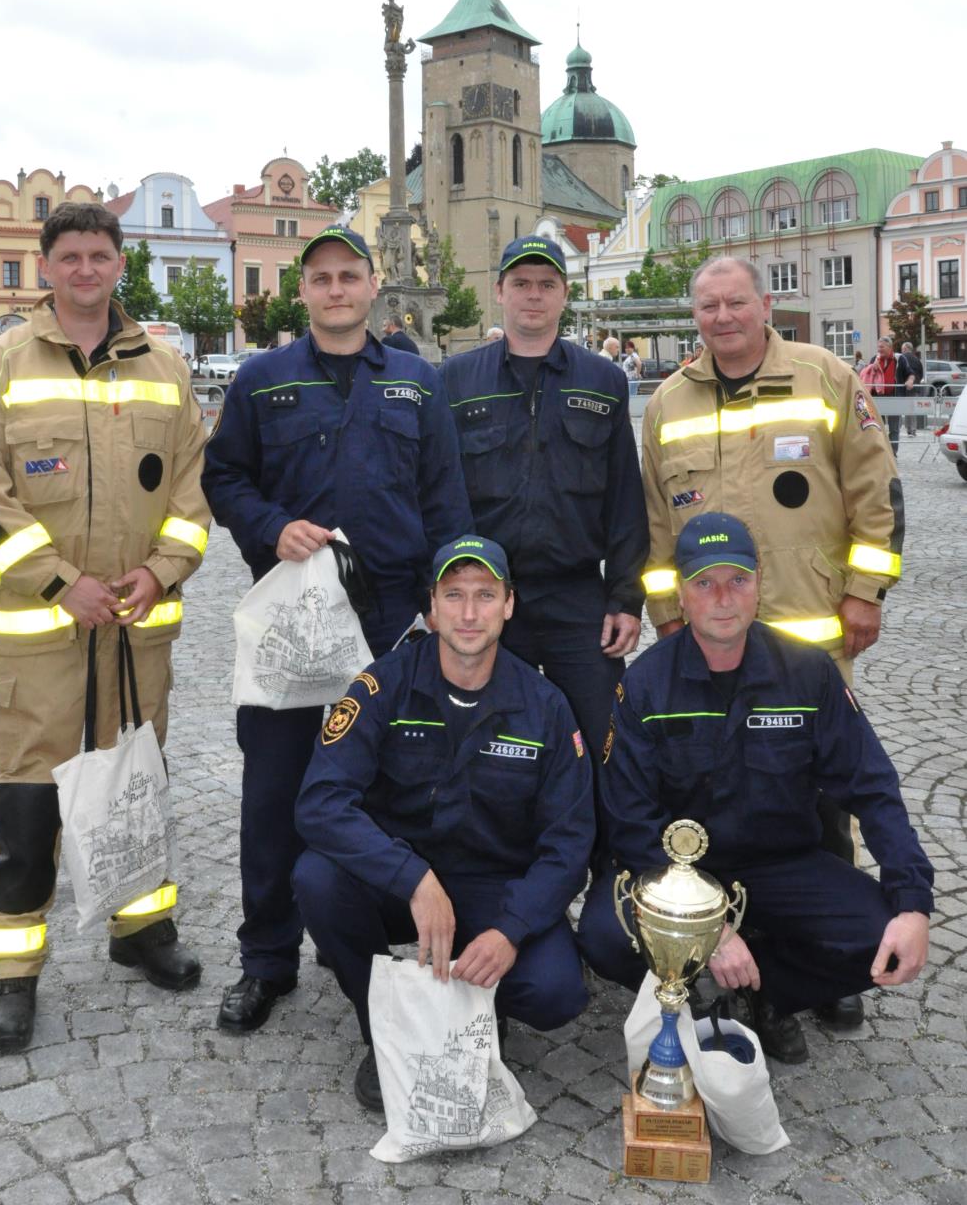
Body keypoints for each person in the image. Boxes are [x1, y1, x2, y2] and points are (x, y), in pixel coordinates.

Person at [201, 224, 471, 1036]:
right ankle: (266, 959)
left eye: (349, 275)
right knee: (274, 790)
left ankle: (357, 929)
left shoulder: (417, 383)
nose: (336, 289)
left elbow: (445, 497)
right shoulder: (263, 380)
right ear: (304, 292)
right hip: (294, 614)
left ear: (373, 284)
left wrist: (444, 594)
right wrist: (271, 526)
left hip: (390, 617)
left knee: (387, 784)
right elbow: (223, 476)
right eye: (321, 278)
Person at [0, 201, 210, 1052]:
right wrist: (63, 584)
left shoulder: (166, 367)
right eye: (70, 257)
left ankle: (141, 929)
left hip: (138, 628)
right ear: (47, 265)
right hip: (41, 635)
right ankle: (13, 968)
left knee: (135, 784)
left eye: (100, 255)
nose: (86, 270)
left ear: (119, 264)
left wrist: (159, 570)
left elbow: (191, 492)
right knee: (29, 804)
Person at [640, 256, 904, 1024]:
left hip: (809, 635)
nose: (722, 317)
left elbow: (876, 493)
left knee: (824, 796)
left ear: (764, 304)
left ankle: (830, 964)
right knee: (726, 795)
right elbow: (657, 527)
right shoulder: (667, 402)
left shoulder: (825, 378)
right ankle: (754, 968)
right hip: (710, 643)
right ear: (695, 315)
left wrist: (865, 592)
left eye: (735, 303)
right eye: (708, 306)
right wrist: (666, 617)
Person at [578, 511, 932, 1064]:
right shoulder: (647, 684)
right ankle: (687, 993)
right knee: (604, 935)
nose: (723, 598)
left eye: (737, 580)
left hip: (778, 864)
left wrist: (913, 902)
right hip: (678, 876)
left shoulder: (808, 672)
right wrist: (712, 932)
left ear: (759, 582)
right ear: (681, 595)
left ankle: (770, 990)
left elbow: (872, 786)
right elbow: (630, 819)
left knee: (882, 934)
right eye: (704, 583)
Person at [294, 535, 594, 1110]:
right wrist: (412, 878)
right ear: (431, 607)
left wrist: (510, 930)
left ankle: (474, 1010)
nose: (470, 613)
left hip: (494, 885)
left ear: (509, 604)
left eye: (486, 595)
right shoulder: (382, 686)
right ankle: (386, 1025)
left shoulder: (546, 706)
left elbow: (570, 841)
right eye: (454, 595)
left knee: (555, 993)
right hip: (400, 878)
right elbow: (321, 801)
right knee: (318, 879)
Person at [442, 235, 648, 848]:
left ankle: (610, 875)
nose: (533, 295)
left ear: (564, 295)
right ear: (500, 292)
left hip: (576, 599)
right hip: (485, 598)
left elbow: (625, 498)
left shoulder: (603, 380)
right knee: (483, 738)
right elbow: (439, 495)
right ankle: (495, 871)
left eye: (547, 284)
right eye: (521, 284)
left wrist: (626, 597)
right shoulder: (455, 380)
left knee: (605, 739)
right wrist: (443, 596)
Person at [865, 336, 900, 456]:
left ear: (889, 347)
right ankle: (881, 451)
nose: (879, 349)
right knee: (878, 426)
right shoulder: (874, 359)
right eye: (878, 347)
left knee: (894, 427)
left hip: (893, 398)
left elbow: (909, 372)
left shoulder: (898, 359)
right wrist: (872, 368)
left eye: (882, 347)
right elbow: (867, 376)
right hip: (877, 398)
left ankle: (893, 452)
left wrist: (910, 379)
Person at [899, 341, 924, 437]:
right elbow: (921, 373)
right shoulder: (917, 359)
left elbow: (900, 372)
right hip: (916, 387)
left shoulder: (902, 358)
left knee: (900, 408)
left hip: (904, 386)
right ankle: (912, 429)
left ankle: (904, 429)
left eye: (902, 349)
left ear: (905, 349)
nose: (901, 351)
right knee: (912, 409)